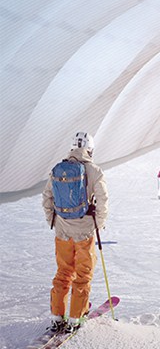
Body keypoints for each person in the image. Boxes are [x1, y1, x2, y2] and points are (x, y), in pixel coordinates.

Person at [42, 132, 109, 332]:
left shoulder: (58, 169)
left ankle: (57, 316)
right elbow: (103, 200)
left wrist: (53, 221)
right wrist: (98, 224)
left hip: (62, 232)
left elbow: (47, 197)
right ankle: (75, 317)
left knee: (63, 272)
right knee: (83, 274)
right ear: (90, 149)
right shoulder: (94, 171)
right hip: (84, 233)